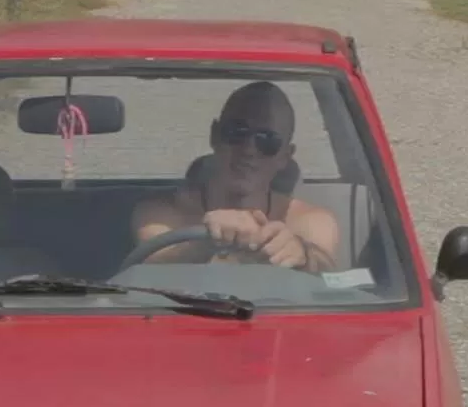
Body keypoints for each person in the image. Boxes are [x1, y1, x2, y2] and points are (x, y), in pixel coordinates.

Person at [129, 81, 343, 272]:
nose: (249, 150)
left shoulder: (309, 221)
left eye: (267, 141)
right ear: (215, 136)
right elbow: (152, 263)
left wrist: (303, 256)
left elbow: (327, 269)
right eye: (237, 132)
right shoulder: (163, 213)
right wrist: (204, 242)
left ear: (285, 156)